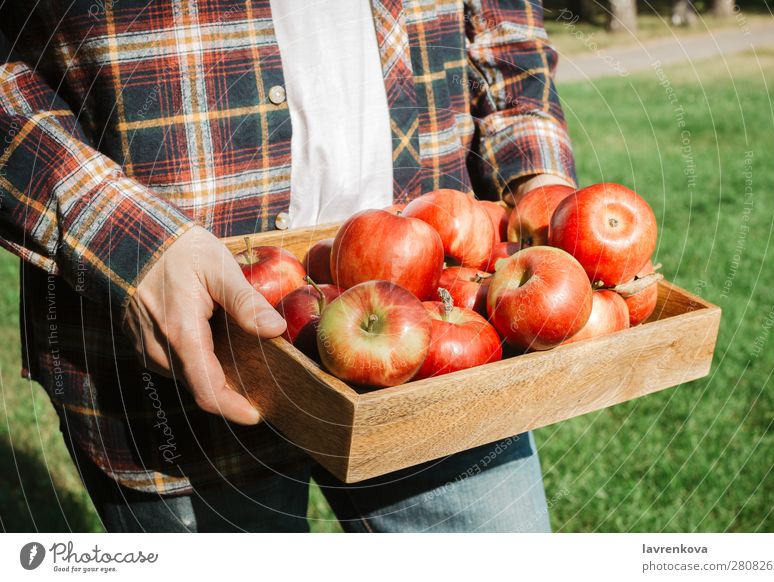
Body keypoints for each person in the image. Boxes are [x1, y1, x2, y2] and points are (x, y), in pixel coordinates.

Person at [0, 0, 576, 532]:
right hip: (185, 344)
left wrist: (543, 187)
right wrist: (118, 236)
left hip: (445, 328)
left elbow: (507, 33)